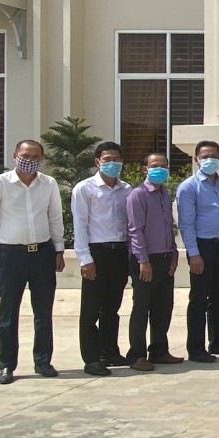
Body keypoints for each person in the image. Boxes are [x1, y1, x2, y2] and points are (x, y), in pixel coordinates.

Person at [0, 138, 65, 384]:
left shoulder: (48, 184)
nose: (29, 161)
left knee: (43, 311)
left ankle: (43, 361)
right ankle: (7, 365)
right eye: (25, 156)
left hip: (41, 253)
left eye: (35, 157)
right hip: (10, 255)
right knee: (8, 312)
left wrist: (58, 250)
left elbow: (55, 218)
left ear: (42, 159)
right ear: (15, 155)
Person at [177, 140, 219, 363]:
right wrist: (193, 254)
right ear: (196, 159)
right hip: (203, 248)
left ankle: (218, 341)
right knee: (199, 298)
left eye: (213, 156)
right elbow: (186, 224)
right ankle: (195, 348)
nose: (209, 160)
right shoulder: (189, 187)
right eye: (204, 156)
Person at [71, 140, 132, 376]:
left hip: (120, 252)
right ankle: (92, 358)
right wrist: (85, 259)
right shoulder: (85, 189)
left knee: (112, 307)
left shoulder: (126, 189)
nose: (112, 163)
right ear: (97, 162)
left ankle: (110, 351)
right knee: (91, 309)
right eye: (107, 160)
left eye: (116, 159)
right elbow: (80, 225)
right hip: (97, 252)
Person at [125, 152, 181, 371]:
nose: (160, 169)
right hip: (145, 260)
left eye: (164, 165)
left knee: (163, 306)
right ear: (145, 169)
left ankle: (159, 350)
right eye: (155, 165)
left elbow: (170, 227)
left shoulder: (165, 195)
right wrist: (143, 260)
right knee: (142, 307)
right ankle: (136, 355)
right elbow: (135, 230)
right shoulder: (137, 195)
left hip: (165, 257)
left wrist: (174, 254)